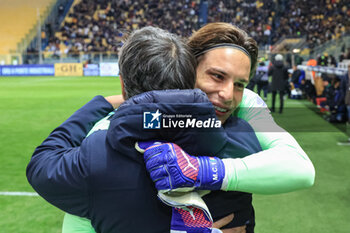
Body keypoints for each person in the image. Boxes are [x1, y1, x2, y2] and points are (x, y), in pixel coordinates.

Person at [60, 23, 315, 233]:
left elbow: (300, 168)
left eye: (239, 83)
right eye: (217, 76)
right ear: (186, 69)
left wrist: (204, 171)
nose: (228, 94)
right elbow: (80, 221)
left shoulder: (248, 103)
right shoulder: (119, 128)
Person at [27, 26, 263, 233]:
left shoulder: (98, 156)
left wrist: (101, 103)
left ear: (122, 85)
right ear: (190, 79)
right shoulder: (240, 141)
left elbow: (41, 164)